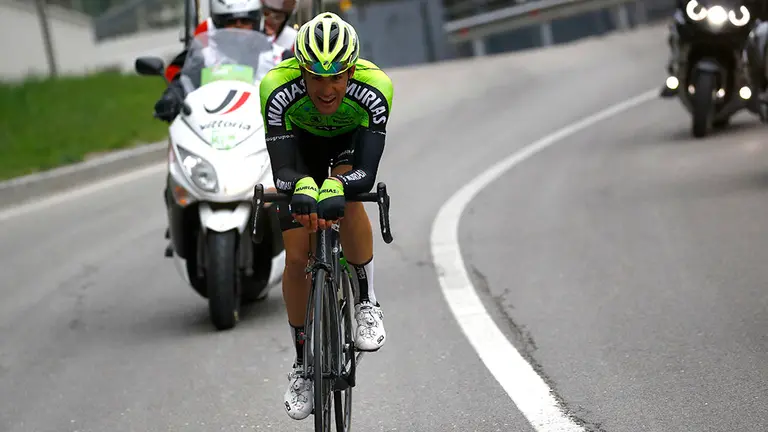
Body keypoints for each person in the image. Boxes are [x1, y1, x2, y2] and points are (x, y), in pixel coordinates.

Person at [258, 12, 394, 420]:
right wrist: (300, 188)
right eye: (316, 77)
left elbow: (365, 173)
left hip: (346, 150)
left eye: (337, 77)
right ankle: (302, 363)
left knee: (346, 198)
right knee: (298, 258)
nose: (327, 88)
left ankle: (366, 300)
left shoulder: (375, 88)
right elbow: (282, 169)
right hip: (300, 152)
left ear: (352, 70)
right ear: (301, 71)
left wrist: (336, 186)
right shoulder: (276, 89)